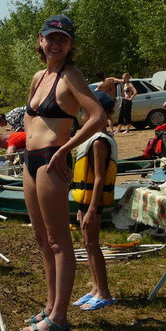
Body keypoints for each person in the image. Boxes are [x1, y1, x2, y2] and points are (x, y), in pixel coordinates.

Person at [20, 15, 106, 331]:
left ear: (70, 46)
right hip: (30, 160)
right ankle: (50, 305)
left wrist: (65, 147)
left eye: (62, 39)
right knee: (42, 239)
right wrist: (20, 144)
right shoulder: (38, 77)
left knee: (58, 242)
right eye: (50, 38)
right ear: (41, 41)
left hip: (52, 161)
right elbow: (30, 120)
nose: (55, 44)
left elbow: (98, 117)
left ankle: (59, 317)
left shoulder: (71, 76)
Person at [71, 90, 118, 311]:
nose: (82, 114)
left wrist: (90, 210)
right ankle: (95, 289)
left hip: (94, 203)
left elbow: (99, 178)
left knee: (92, 244)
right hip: (86, 201)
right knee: (87, 244)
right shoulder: (91, 138)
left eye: (85, 110)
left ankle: (105, 293)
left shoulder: (99, 141)